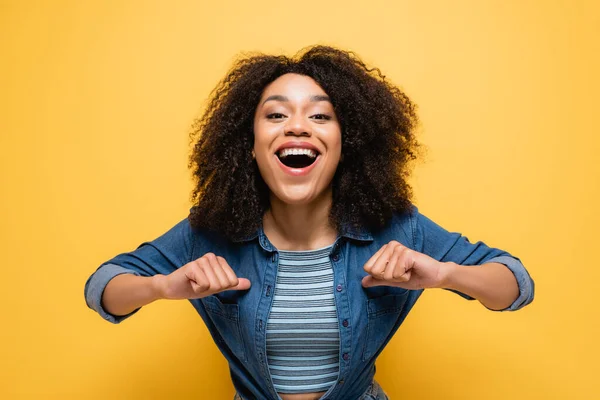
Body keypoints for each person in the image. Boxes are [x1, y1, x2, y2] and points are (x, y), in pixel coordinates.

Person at [84, 45, 535, 400]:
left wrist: (442, 274)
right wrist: (162, 287)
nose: (298, 126)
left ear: (347, 142)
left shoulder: (398, 228)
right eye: (276, 115)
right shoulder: (210, 232)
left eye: (320, 115)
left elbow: (515, 284)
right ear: (250, 144)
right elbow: (103, 288)